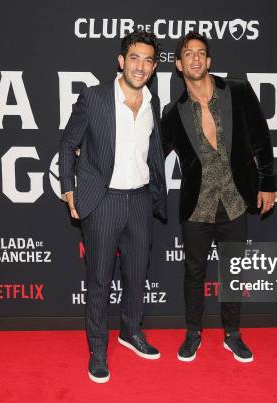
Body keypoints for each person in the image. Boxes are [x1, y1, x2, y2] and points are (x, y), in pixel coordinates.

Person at [161, 31, 277, 363]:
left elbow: (261, 138)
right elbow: (152, 153)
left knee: (233, 270)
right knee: (194, 272)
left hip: (236, 199)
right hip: (196, 205)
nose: (195, 58)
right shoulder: (173, 113)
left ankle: (232, 335)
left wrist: (268, 182)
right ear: (179, 65)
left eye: (200, 53)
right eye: (187, 54)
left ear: (208, 61)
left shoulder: (237, 91)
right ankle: (193, 333)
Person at [59, 30, 167, 383]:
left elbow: (152, 153)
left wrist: (154, 194)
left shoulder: (153, 103)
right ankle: (98, 350)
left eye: (148, 60)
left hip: (138, 200)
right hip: (102, 201)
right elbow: (67, 144)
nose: (141, 66)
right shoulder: (94, 98)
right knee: (99, 281)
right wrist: (68, 189)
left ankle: (131, 332)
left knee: (137, 276)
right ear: (121, 61)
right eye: (134, 58)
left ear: (153, 66)